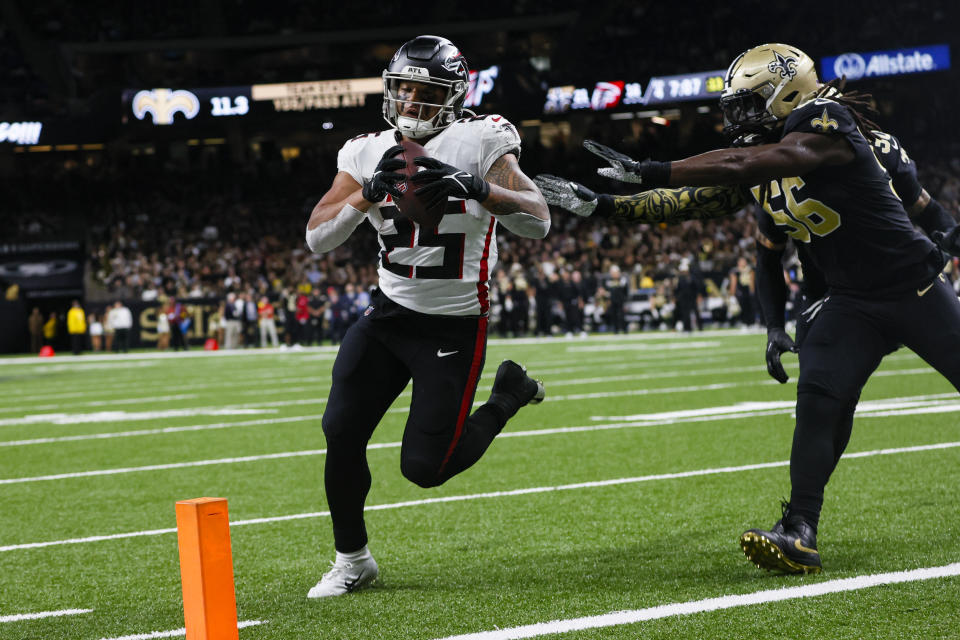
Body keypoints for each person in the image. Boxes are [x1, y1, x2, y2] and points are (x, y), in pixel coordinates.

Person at [535, 43, 960, 575]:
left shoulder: (825, 122)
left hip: (912, 286)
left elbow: (745, 162)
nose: (739, 115)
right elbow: (694, 199)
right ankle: (799, 529)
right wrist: (604, 205)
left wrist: (654, 167)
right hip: (848, 300)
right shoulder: (765, 153)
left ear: (788, 93)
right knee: (819, 401)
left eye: (752, 101)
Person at [303, 35, 549, 598]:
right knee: (340, 430)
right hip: (387, 318)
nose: (411, 101)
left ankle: (508, 395)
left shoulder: (483, 139)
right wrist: (365, 195)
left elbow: (538, 219)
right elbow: (317, 236)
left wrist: (482, 188)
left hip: (454, 325)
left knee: (426, 468)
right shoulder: (365, 150)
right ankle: (352, 559)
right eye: (403, 88)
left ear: (454, 94)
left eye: (425, 90)